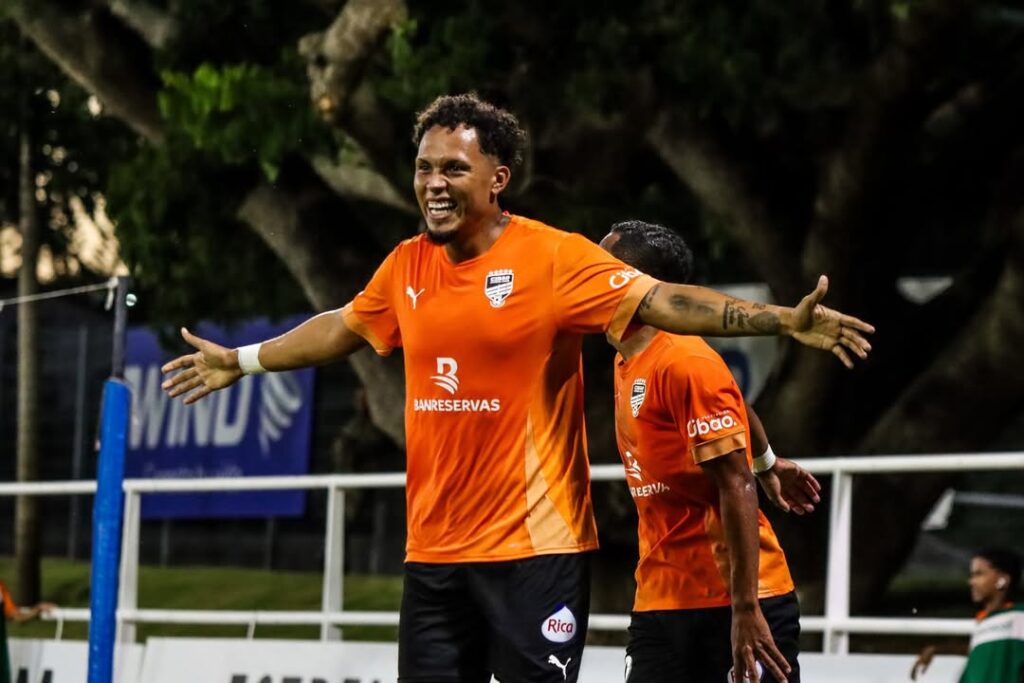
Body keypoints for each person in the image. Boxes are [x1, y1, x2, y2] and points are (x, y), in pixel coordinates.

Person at [161, 93, 872, 682]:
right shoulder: (406, 266)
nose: (433, 182)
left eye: (453, 168)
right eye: (423, 168)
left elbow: (668, 303)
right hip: (433, 555)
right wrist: (243, 360)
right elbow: (343, 325)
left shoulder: (555, 258)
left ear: (497, 177)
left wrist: (782, 321)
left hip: (536, 552)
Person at [600, 220, 815, 683]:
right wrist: (769, 461)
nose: (588, 278)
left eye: (604, 269)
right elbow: (736, 400)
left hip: (734, 602)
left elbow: (735, 483)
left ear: (645, 288)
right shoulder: (627, 359)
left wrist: (745, 610)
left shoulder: (684, 362)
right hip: (661, 597)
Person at [910, 548, 1024, 682]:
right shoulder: (985, 621)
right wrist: (939, 650)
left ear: (1002, 580)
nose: (971, 582)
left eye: (979, 574)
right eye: (972, 575)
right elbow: (987, 649)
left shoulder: (1018, 616)